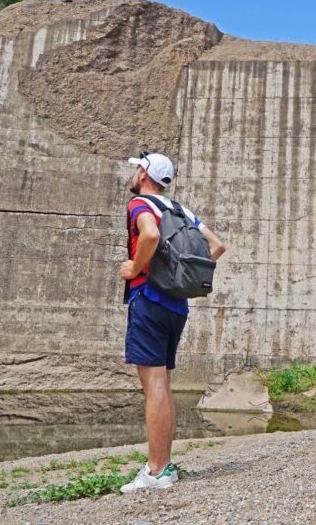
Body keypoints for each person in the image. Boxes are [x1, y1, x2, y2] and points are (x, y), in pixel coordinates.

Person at [118, 151, 225, 492]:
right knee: (162, 383)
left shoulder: (140, 204)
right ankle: (163, 465)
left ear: (146, 174)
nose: (134, 173)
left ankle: (157, 469)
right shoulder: (181, 210)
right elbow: (217, 246)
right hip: (176, 305)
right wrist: (179, 277)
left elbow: (149, 236)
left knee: (154, 385)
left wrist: (135, 268)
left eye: (138, 168)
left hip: (148, 299)